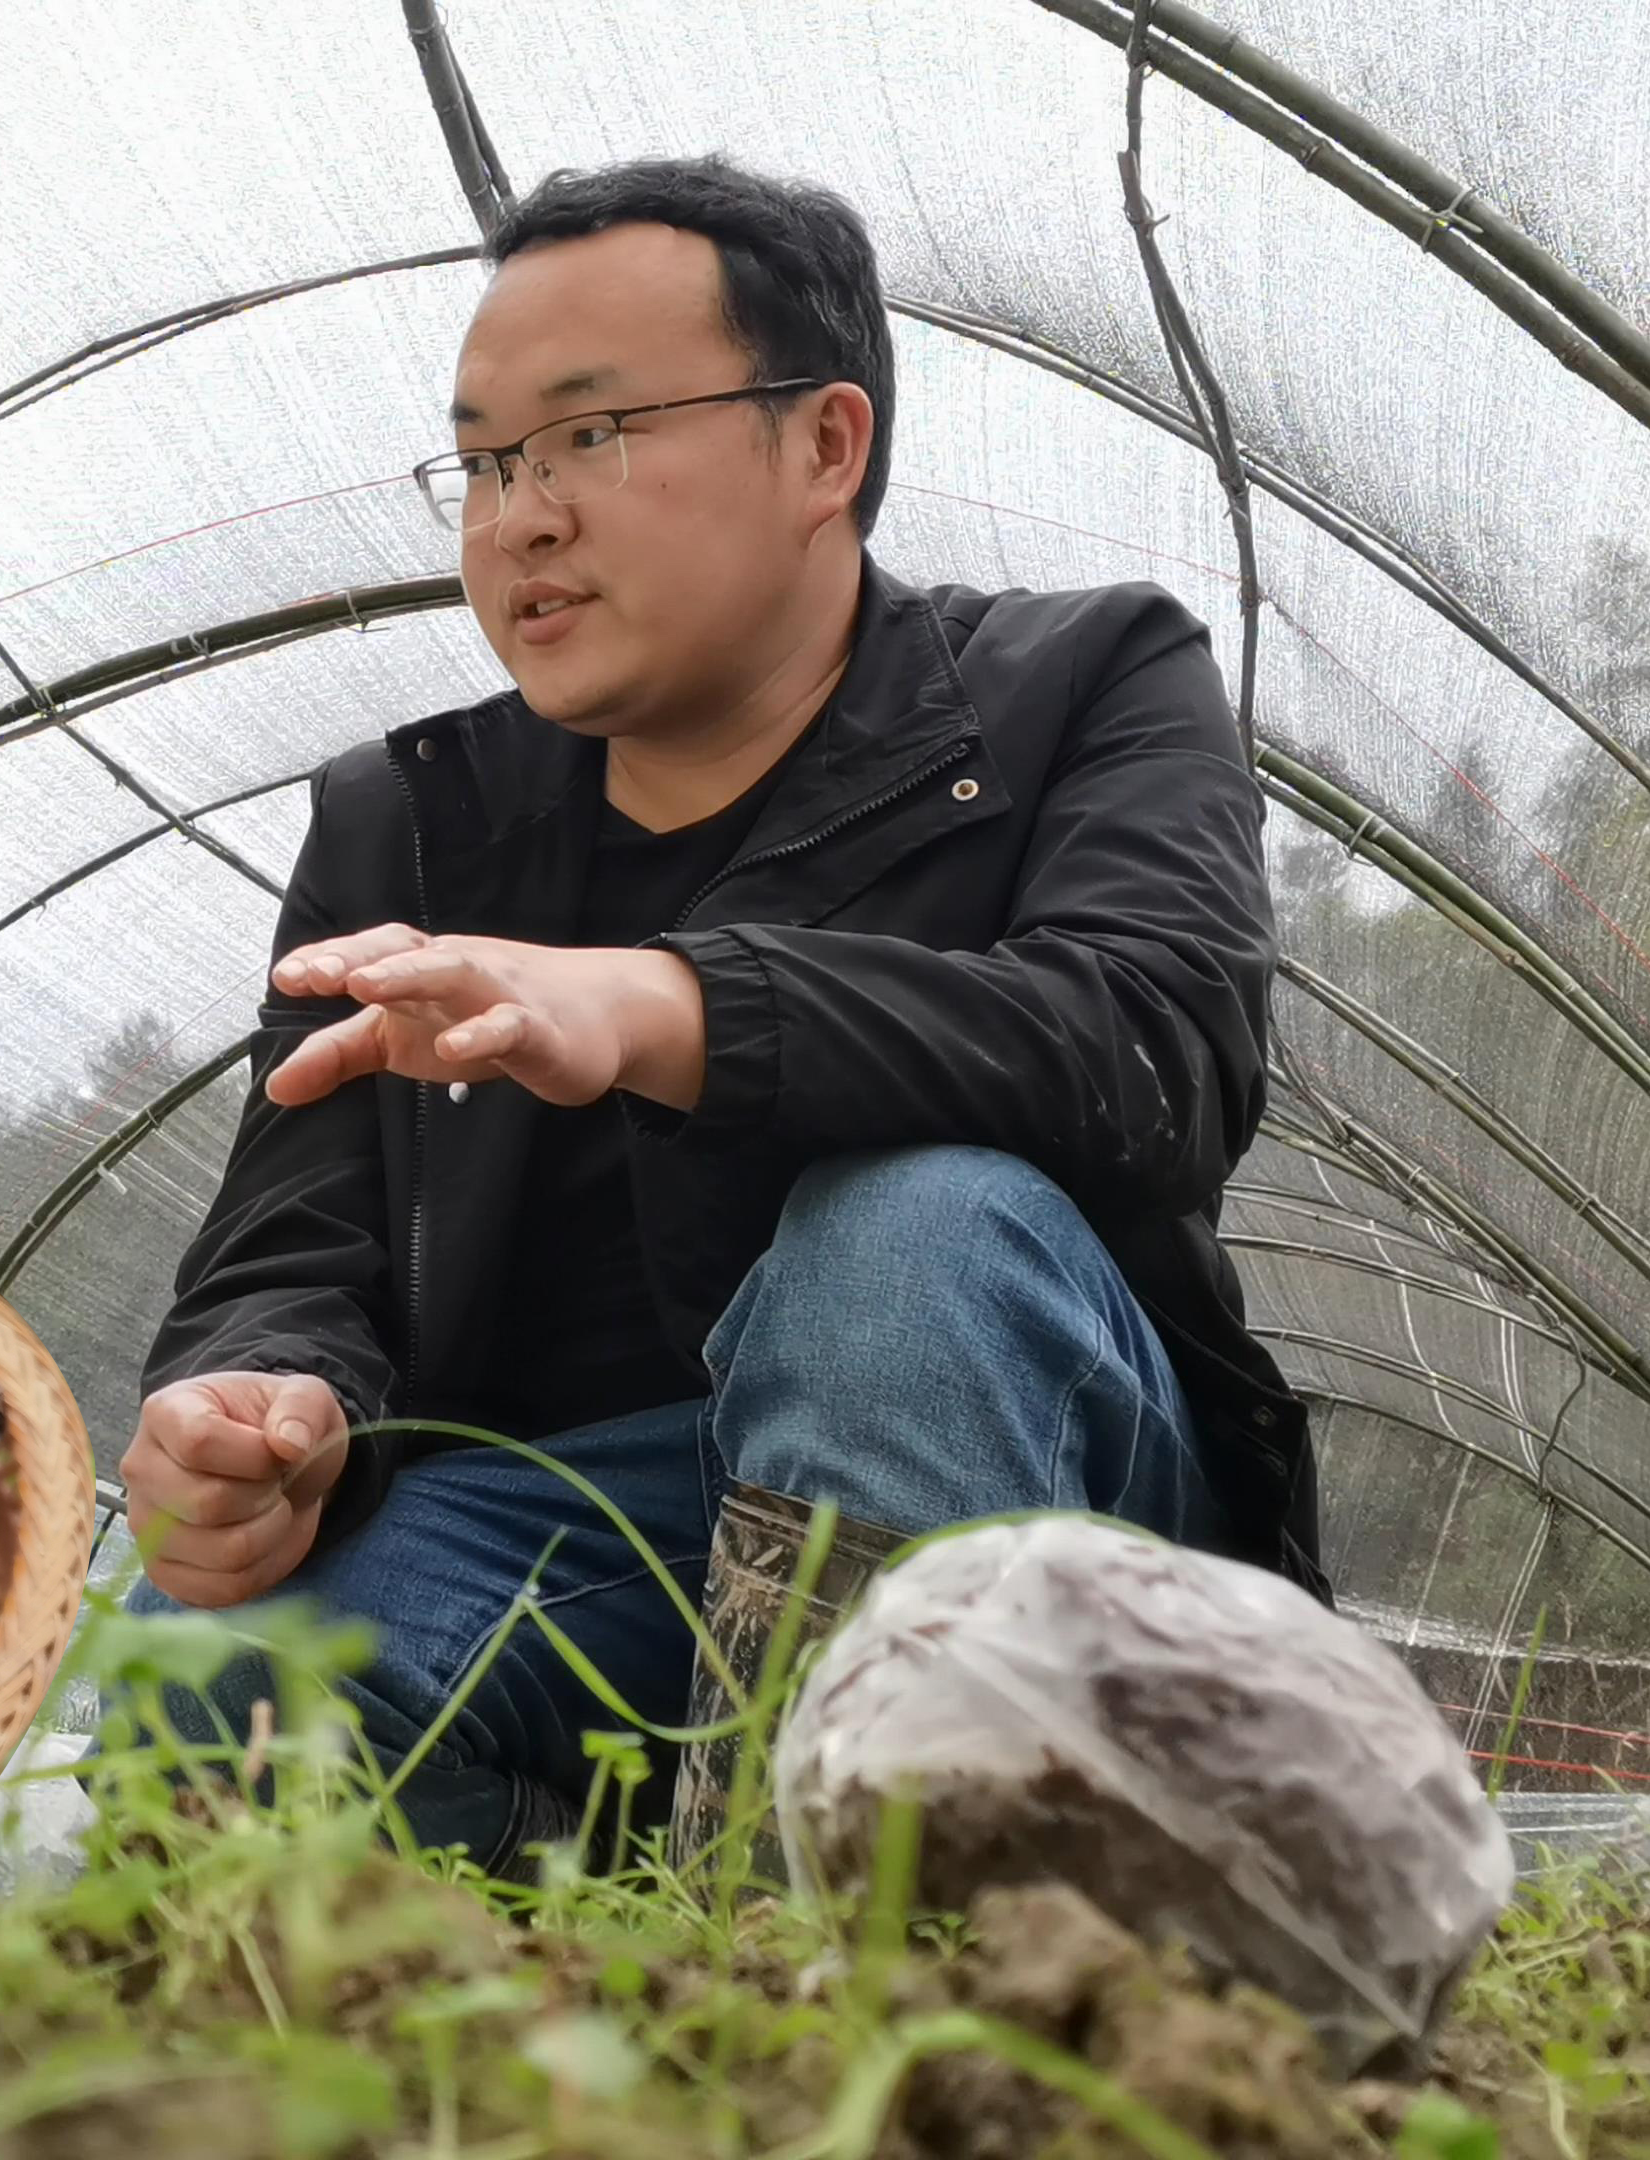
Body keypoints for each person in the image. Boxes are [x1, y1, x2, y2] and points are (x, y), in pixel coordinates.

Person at [116, 153, 1327, 1877]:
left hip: (1055, 1532)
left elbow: (1153, 1043)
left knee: (910, 1239)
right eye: (481, 462)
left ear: (824, 447)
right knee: (225, 1665)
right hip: (593, 1531)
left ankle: (853, 1992)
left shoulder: (1082, 684)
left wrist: (664, 1000)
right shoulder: (413, 819)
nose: (520, 515)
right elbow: (297, 1235)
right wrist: (265, 1398)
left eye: (590, 437)